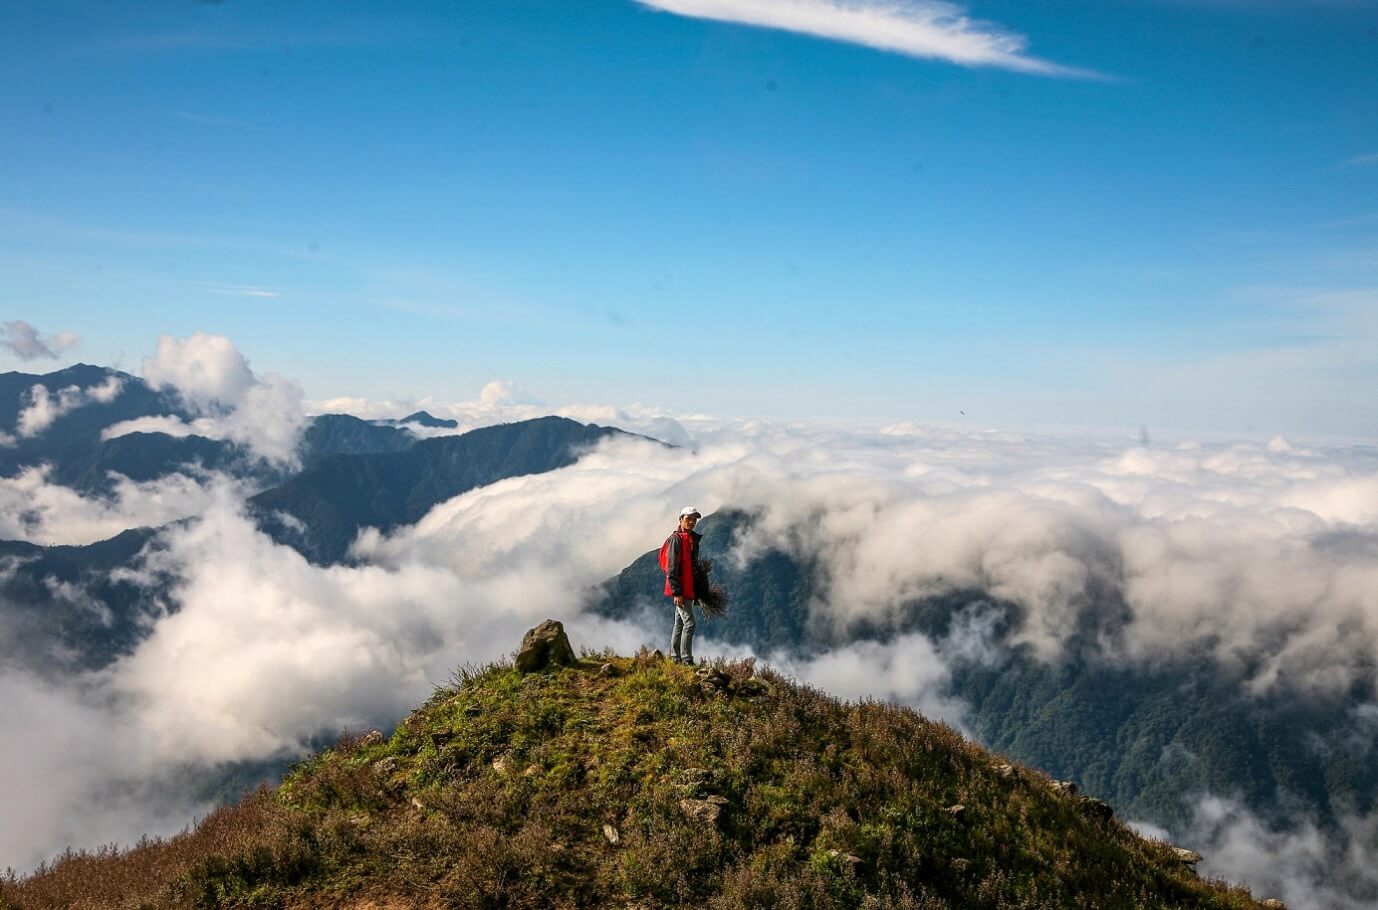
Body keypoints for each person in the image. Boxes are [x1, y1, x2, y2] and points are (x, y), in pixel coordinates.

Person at [663, 506, 702, 664]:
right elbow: (671, 568)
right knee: (690, 623)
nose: (692, 522)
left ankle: (675, 658)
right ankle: (686, 659)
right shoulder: (676, 540)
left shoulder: (692, 540)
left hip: (687, 588)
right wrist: (676, 592)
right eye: (688, 519)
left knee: (679, 623)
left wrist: (697, 591)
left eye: (694, 519)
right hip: (680, 589)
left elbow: (692, 568)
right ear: (680, 520)